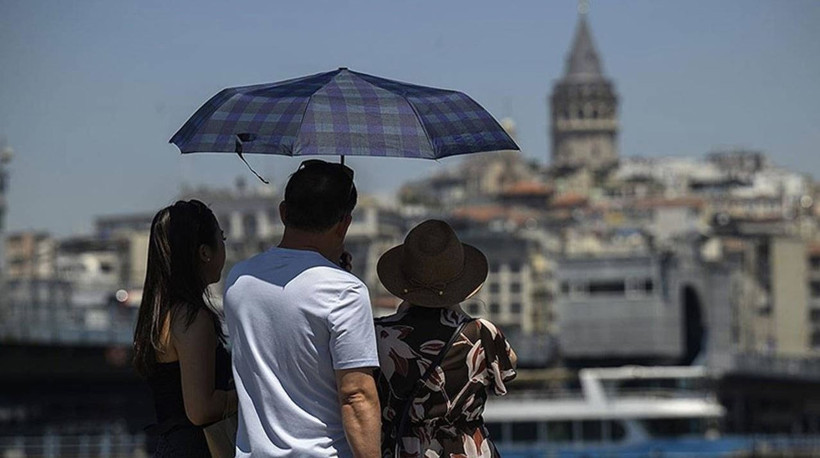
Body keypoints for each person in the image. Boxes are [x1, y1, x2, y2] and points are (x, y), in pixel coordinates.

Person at [223, 159, 381, 457]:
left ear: (283, 212)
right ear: (344, 223)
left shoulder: (239, 280)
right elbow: (356, 394)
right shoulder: (344, 291)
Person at [374, 219, 518, 458]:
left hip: (403, 449)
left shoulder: (379, 334)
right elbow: (507, 371)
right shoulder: (483, 334)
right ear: (465, 287)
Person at [133, 200, 237, 457]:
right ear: (204, 252)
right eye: (221, 238)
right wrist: (253, 393)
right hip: (197, 448)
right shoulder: (193, 318)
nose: (224, 246)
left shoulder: (159, 315)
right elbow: (200, 409)